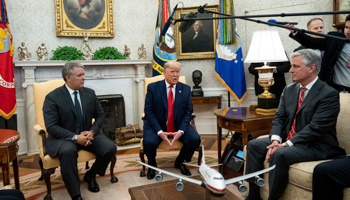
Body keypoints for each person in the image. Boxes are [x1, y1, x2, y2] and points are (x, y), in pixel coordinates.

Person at [244, 49, 345, 200]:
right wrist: (276, 140)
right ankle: (253, 195)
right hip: (288, 139)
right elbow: (279, 117)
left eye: (295, 66)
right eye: (291, 66)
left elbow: (315, 128)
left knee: (280, 153)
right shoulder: (289, 89)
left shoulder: (328, 94)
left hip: (315, 145)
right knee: (254, 145)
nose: (290, 70)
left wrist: (285, 145)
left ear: (311, 68)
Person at [43, 61, 116, 200]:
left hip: (87, 133)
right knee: (68, 151)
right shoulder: (52, 97)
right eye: (79, 75)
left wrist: (92, 131)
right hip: (63, 138)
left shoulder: (89, 93)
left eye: (83, 74)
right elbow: (51, 127)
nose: (84, 78)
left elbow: (100, 115)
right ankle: (76, 195)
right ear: (67, 77)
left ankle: (91, 175)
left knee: (110, 147)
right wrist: (76, 137)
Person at [143, 61, 201, 180]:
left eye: (177, 72)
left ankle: (180, 161)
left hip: (178, 124)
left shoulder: (185, 89)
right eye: (172, 72)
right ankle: (152, 164)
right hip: (157, 125)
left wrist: (181, 130)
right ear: (164, 73)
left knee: (195, 139)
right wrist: (159, 132)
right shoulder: (153, 88)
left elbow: (188, 112)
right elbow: (148, 112)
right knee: (148, 142)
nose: (175, 75)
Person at [287, 14, 350, 92]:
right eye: (346, 27)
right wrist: (295, 31)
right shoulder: (336, 38)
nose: (347, 31)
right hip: (337, 89)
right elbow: (312, 43)